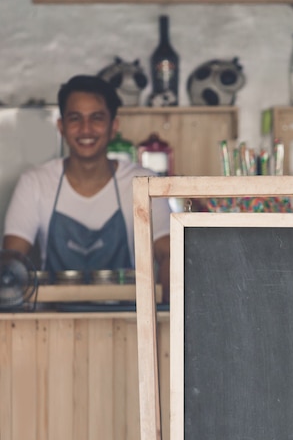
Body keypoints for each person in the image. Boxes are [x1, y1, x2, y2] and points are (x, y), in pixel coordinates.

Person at [2, 74, 171, 300]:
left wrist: (170, 311)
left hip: (130, 322)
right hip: (52, 321)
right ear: (61, 127)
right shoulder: (35, 182)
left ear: (114, 126)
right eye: (75, 118)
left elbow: (168, 253)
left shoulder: (144, 183)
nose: (86, 129)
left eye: (97, 118)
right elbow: (12, 260)